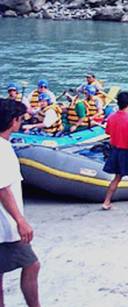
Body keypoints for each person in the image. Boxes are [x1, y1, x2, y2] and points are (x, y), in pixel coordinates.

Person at [0, 99, 41, 307]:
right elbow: (3, 188)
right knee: (32, 264)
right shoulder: (4, 150)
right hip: (5, 226)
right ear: (13, 121)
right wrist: (20, 220)